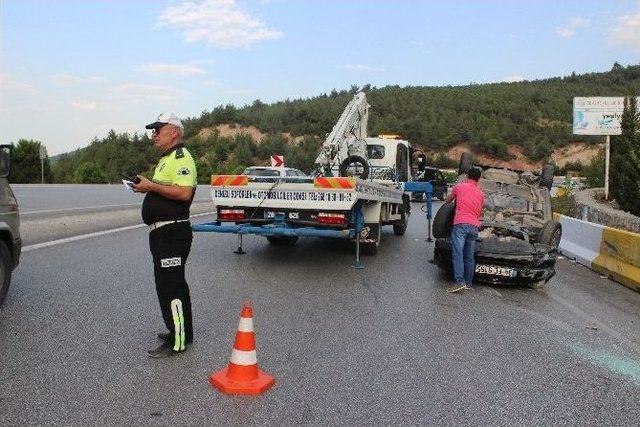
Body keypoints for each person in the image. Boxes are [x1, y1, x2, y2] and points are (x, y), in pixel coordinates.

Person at [132, 113, 197, 358]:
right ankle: (183, 331)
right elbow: (165, 192)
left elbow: (183, 194)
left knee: (170, 287)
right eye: (153, 130)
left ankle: (177, 341)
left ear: (174, 132)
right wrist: (146, 188)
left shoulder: (182, 157)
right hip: (163, 233)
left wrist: (151, 187)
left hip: (172, 232)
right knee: (174, 285)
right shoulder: (166, 159)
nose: (154, 134)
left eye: (159, 129)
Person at [444, 166, 484, 293]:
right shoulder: (481, 193)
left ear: (467, 177)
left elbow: (447, 200)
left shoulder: (460, 187)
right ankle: (468, 283)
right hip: (474, 227)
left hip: (461, 224)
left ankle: (459, 282)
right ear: (479, 179)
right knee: (469, 256)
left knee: (458, 253)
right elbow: (479, 210)